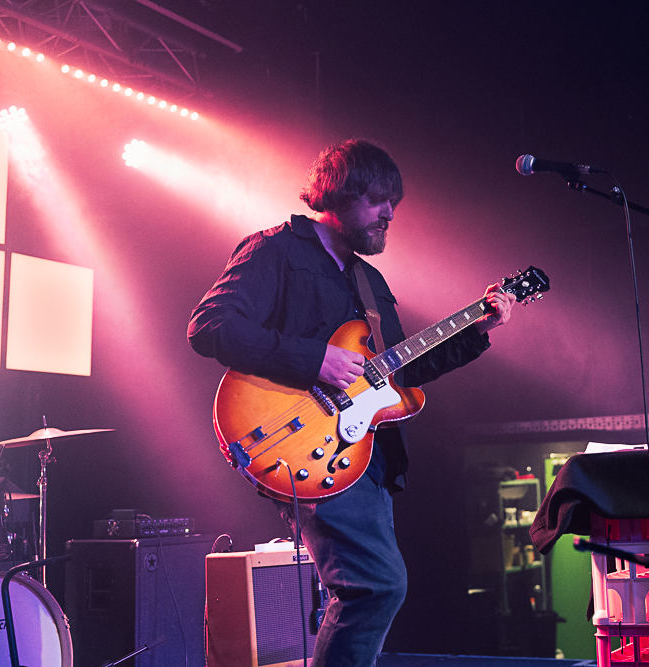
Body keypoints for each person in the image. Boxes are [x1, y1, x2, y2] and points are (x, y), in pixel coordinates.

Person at [188, 138, 515, 667]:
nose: (389, 214)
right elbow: (210, 327)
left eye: (394, 203)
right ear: (337, 193)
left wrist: (477, 331)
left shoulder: (371, 282)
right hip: (298, 439)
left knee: (369, 590)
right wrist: (313, 359)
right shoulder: (275, 251)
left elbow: (401, 371)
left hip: (364, 455)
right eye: (377, 199)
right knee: (376, 586)